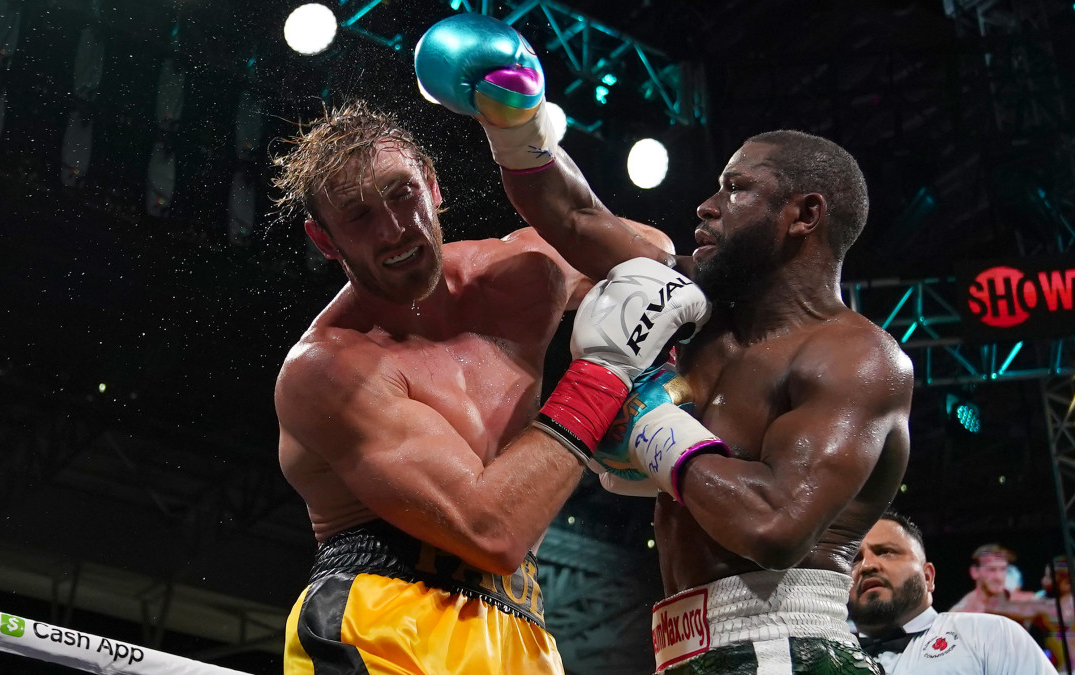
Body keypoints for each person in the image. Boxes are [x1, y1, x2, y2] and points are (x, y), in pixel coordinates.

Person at [415, 14, 914, 673]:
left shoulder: (856, 357)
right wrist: (517, 121)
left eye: (737, 188)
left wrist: (646, 417)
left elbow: (773, 526)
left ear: (805, 214)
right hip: (686, 645)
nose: (707, 206)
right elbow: (576, 216)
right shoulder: (691, 302)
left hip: (785, 645)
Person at [271, 96, 707, 673]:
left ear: (432, 186)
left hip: (521, 629)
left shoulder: (519, 274)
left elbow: (653, 259)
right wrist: (604, 375)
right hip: (382, 620)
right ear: (326, 241)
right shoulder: (329, 370)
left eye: (402, 194)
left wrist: (526, 150)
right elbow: (491, 529)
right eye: (358, 216)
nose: (395, 229)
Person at [849, 509, 1057, 673]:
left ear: (928, 577)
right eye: (854, 559)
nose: (867, 565)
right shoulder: (827, 659)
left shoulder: (988, 635)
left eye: (885, 552)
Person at [951, 543, 1042, 614]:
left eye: (1003, 569)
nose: (998, 577)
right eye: (991, 570)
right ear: (975, 572)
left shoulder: (1025, 600)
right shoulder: (962, 613)